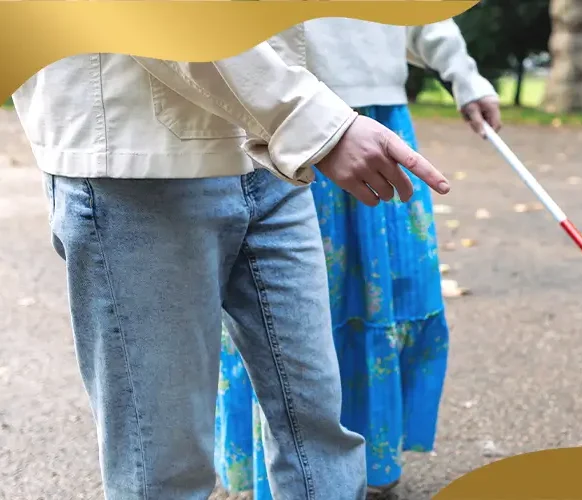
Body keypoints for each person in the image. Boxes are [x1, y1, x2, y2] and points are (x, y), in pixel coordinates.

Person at [11, 30, 451, 500]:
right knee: (163, 465)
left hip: (267, 155)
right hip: (136, 162)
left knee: (318, 431)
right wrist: (311, 120)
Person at [214, 18, 502, 499]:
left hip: (379, 114)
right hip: (284, 113)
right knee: (287, 311)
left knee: (388, 291)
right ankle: (285, 470)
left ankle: (371, 458)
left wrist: (462, 73)